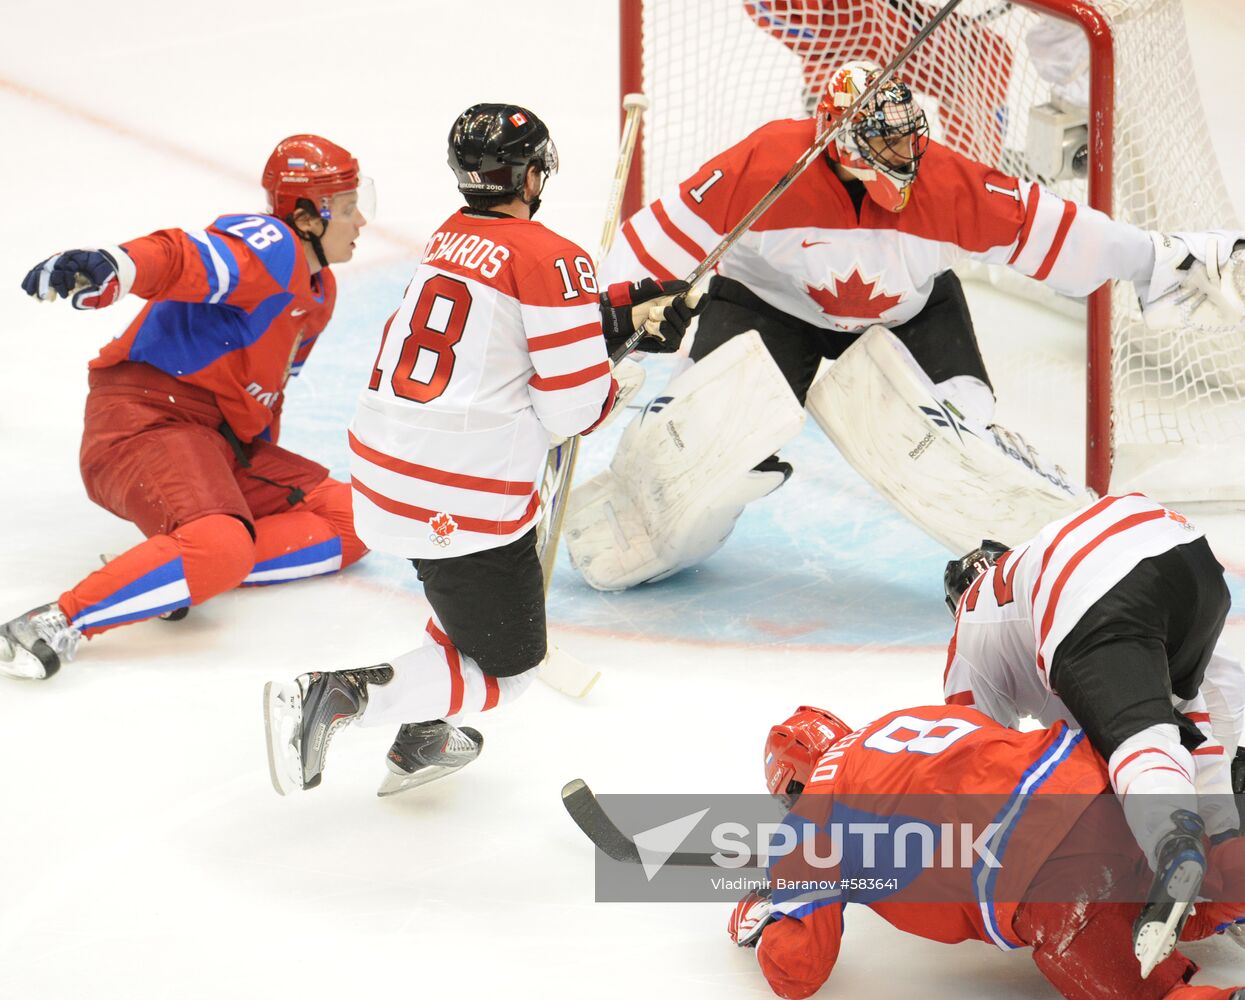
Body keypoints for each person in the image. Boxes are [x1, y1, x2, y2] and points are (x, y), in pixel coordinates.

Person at [564, 59, 1245, 590]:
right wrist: (615, 311)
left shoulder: (945, 181)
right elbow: (653, 239)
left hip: (911, 313)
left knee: (967, 447)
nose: (903, 156)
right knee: (701, 442)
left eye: (907, 138)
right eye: (883, 143)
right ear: (837, 140)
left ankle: (1049, 557)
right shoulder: (765, 163)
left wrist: (1155, 256)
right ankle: (652, 518)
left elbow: (1055, 230)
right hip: (769, 307)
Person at [261, 104, 701, 797]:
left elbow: (507, 335)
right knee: (509, 667)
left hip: (384, 477)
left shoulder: (449, 239)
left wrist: (622, 311)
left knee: (464, 606)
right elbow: (573, 409)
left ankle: (425, 737)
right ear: (532, 175)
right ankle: (339, 696)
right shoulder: (551, 256)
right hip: (459, 498)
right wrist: (617, 370)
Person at [1, 135, 373, 681]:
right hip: (145, 422)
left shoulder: (320, 293)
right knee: (221, 545)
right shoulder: (274, 245)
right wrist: (116, 267)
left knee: (361, 518)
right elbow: (184, 256)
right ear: (308, 217)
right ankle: (56, 623)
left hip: (217, 442)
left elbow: (270, 395)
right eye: (346, 208)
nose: (361, 221)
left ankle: (174, 571)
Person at [728, 702, 1245, 999]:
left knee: (1141, 985)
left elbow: (800, 969)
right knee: (1193, 886)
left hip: (1040, 875)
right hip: (1102, 784)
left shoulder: (812, 818)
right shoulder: (902, 719)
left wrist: (773, 913)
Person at [942, 493, 1245, 973]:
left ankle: (1174, 844)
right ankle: (1231, 847)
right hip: (1191, 561)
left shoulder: (972, 623)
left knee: (1138, 742)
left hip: (1100, 588)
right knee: (1185, 730)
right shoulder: (1033, 566)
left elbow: (967, 756)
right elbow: (1208, 704)